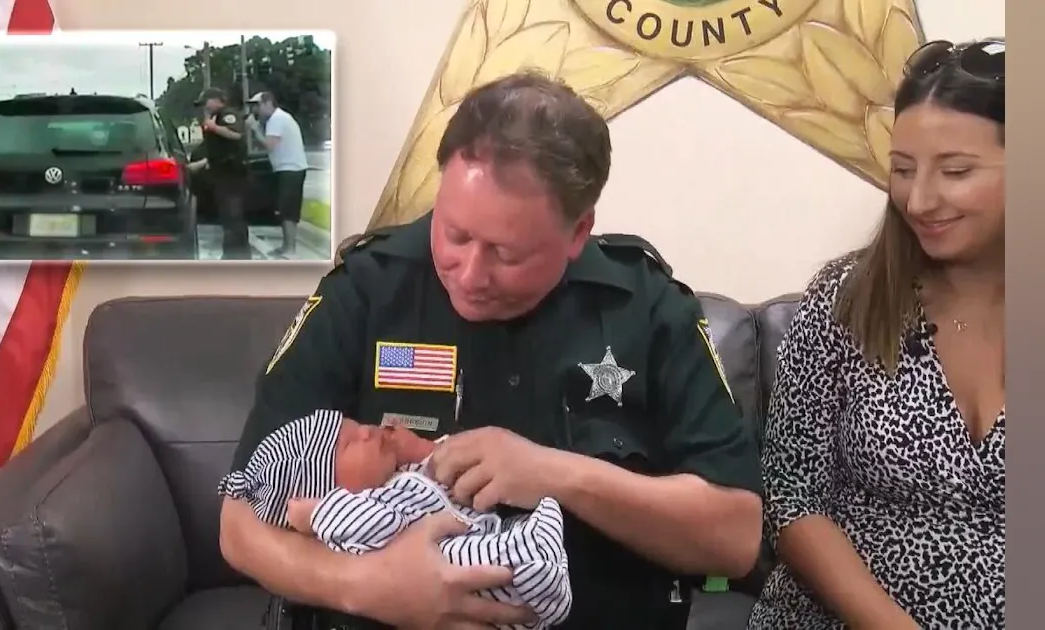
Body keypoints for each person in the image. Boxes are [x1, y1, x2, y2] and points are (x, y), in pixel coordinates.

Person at [219, 71, 763, 630]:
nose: (470, 274)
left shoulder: (648, 310)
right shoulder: (366, 290)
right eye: (454, 234)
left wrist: (557, 475)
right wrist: (371, 587)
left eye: (506, 253)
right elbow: (238, 524)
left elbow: (736, 537)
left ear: (578, 233)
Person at [747, 38, 1005, 630]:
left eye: (957, 171)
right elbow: (791, 496)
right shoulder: (848, 299)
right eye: (903, 170)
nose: (920, 199)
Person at [219, 409, 572, 629]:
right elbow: (369, 524)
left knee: (497, 545)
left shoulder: (399, 476)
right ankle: (531, 560)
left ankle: (533, 556)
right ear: (324, 491)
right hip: (454, 570)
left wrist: (423, 451)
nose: (367, 431)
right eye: (347, 444)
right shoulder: (352, 515)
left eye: (355, 425)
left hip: (479, 530)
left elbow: (447, 469)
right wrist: (316, 515)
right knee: (483, 564)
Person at [245, 91, 309, 257]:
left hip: (291, 169)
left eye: (257, 106)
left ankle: (290, 249)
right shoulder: (276, 119)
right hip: (285, 168)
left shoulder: (277, 119)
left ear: (268, 103)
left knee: (288, 210)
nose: (255, 110)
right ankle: (286, 246)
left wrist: (254, 128)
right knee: (283, 209)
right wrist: (258, 126)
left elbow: (269, 145)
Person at [195, 87, 252, 259]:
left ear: (216, 100)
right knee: (228, 216)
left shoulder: (228, 114)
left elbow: (236, 134)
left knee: (233, 216)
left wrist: (214, 127)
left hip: (232, 174)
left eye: (206, 103)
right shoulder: (216, 117)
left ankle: (236, 256)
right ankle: (234, 254)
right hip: (221, 173)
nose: (204, 107)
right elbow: (218, 149)